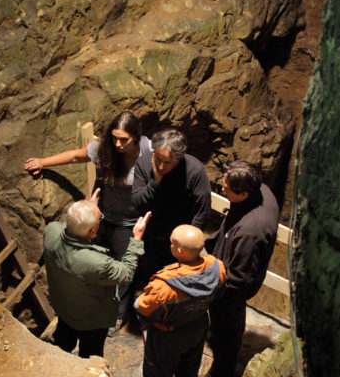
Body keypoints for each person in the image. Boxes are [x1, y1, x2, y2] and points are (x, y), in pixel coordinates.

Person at [26, 112, 152, 327]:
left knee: (124, 269)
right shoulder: (106, 150)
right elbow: (78, 156)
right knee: (95, 260)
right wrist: (43, 162)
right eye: (114, 138)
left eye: (124, 139)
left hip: (129, 222)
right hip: (101, 216)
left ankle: (118, 315)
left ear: (136, 137)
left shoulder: (148, 151)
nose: (118, 144)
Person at [200, 160, 279, 377]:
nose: (222, 189)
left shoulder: (249, 233)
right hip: (231, 268)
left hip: (230, 291)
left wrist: (211, 286)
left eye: (227, 188)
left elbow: (238, 279)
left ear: (244, 193)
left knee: (226, 331)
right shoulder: (261, 190)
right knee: (226, 328)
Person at [43, 199, 150, 358]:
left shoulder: (50, 231)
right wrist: (136, 238)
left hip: (64, 307)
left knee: (63, 342)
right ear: (93, 230)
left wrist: (85, 210)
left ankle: (59, 361)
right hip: (90, 320)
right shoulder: (96, 263)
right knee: (90, 354)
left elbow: (68, 228)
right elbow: (126, 273)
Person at [135, 225, 225, 377]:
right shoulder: (218, 268)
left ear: (180, 251)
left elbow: (144, 312)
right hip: (197, 326)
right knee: (189, 372)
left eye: (172, 243)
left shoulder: (164, 287)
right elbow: (219, 294)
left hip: (167, 337)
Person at [131, 128, 211, 287]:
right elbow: (137, 202)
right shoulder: (144, 163)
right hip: (150, 236)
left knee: (174, 283)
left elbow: (202, 211)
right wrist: (155, 181)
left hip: (179, 242)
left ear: (179, 159)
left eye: (167, 162)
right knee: (149, 277)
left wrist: (187, 244)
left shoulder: (194, 170)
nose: (160, 166)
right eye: (158, 159)